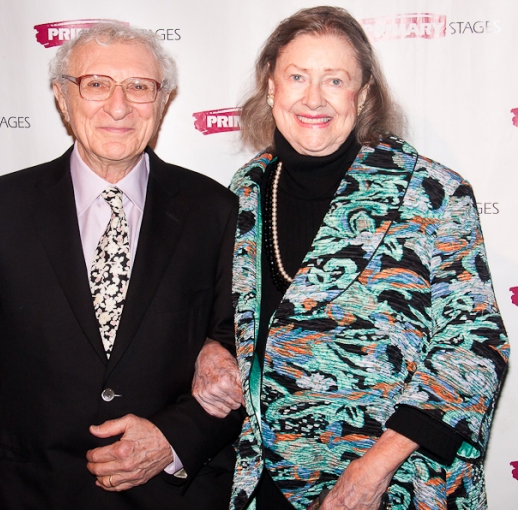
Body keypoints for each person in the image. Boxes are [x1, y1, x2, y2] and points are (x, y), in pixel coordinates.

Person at [192, 6, 509, 509]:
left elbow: (475, 347)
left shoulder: (432, 192)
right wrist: (214, 346)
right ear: (271, 86)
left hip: (397, 484)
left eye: (335, 80)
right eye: (297, 76)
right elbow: (244, 314)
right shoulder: (246, 191)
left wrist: (371, 472)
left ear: (362, 97)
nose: (313, 98)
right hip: (268, 478)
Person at [0, 22, 242, 510]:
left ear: (162, 101)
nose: (118, 107)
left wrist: (173, 439)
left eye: (139, 87)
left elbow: (246, 358)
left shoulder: (215, 211)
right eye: (96, 84)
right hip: (32, 496)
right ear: (61, 96)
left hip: (172, 496)